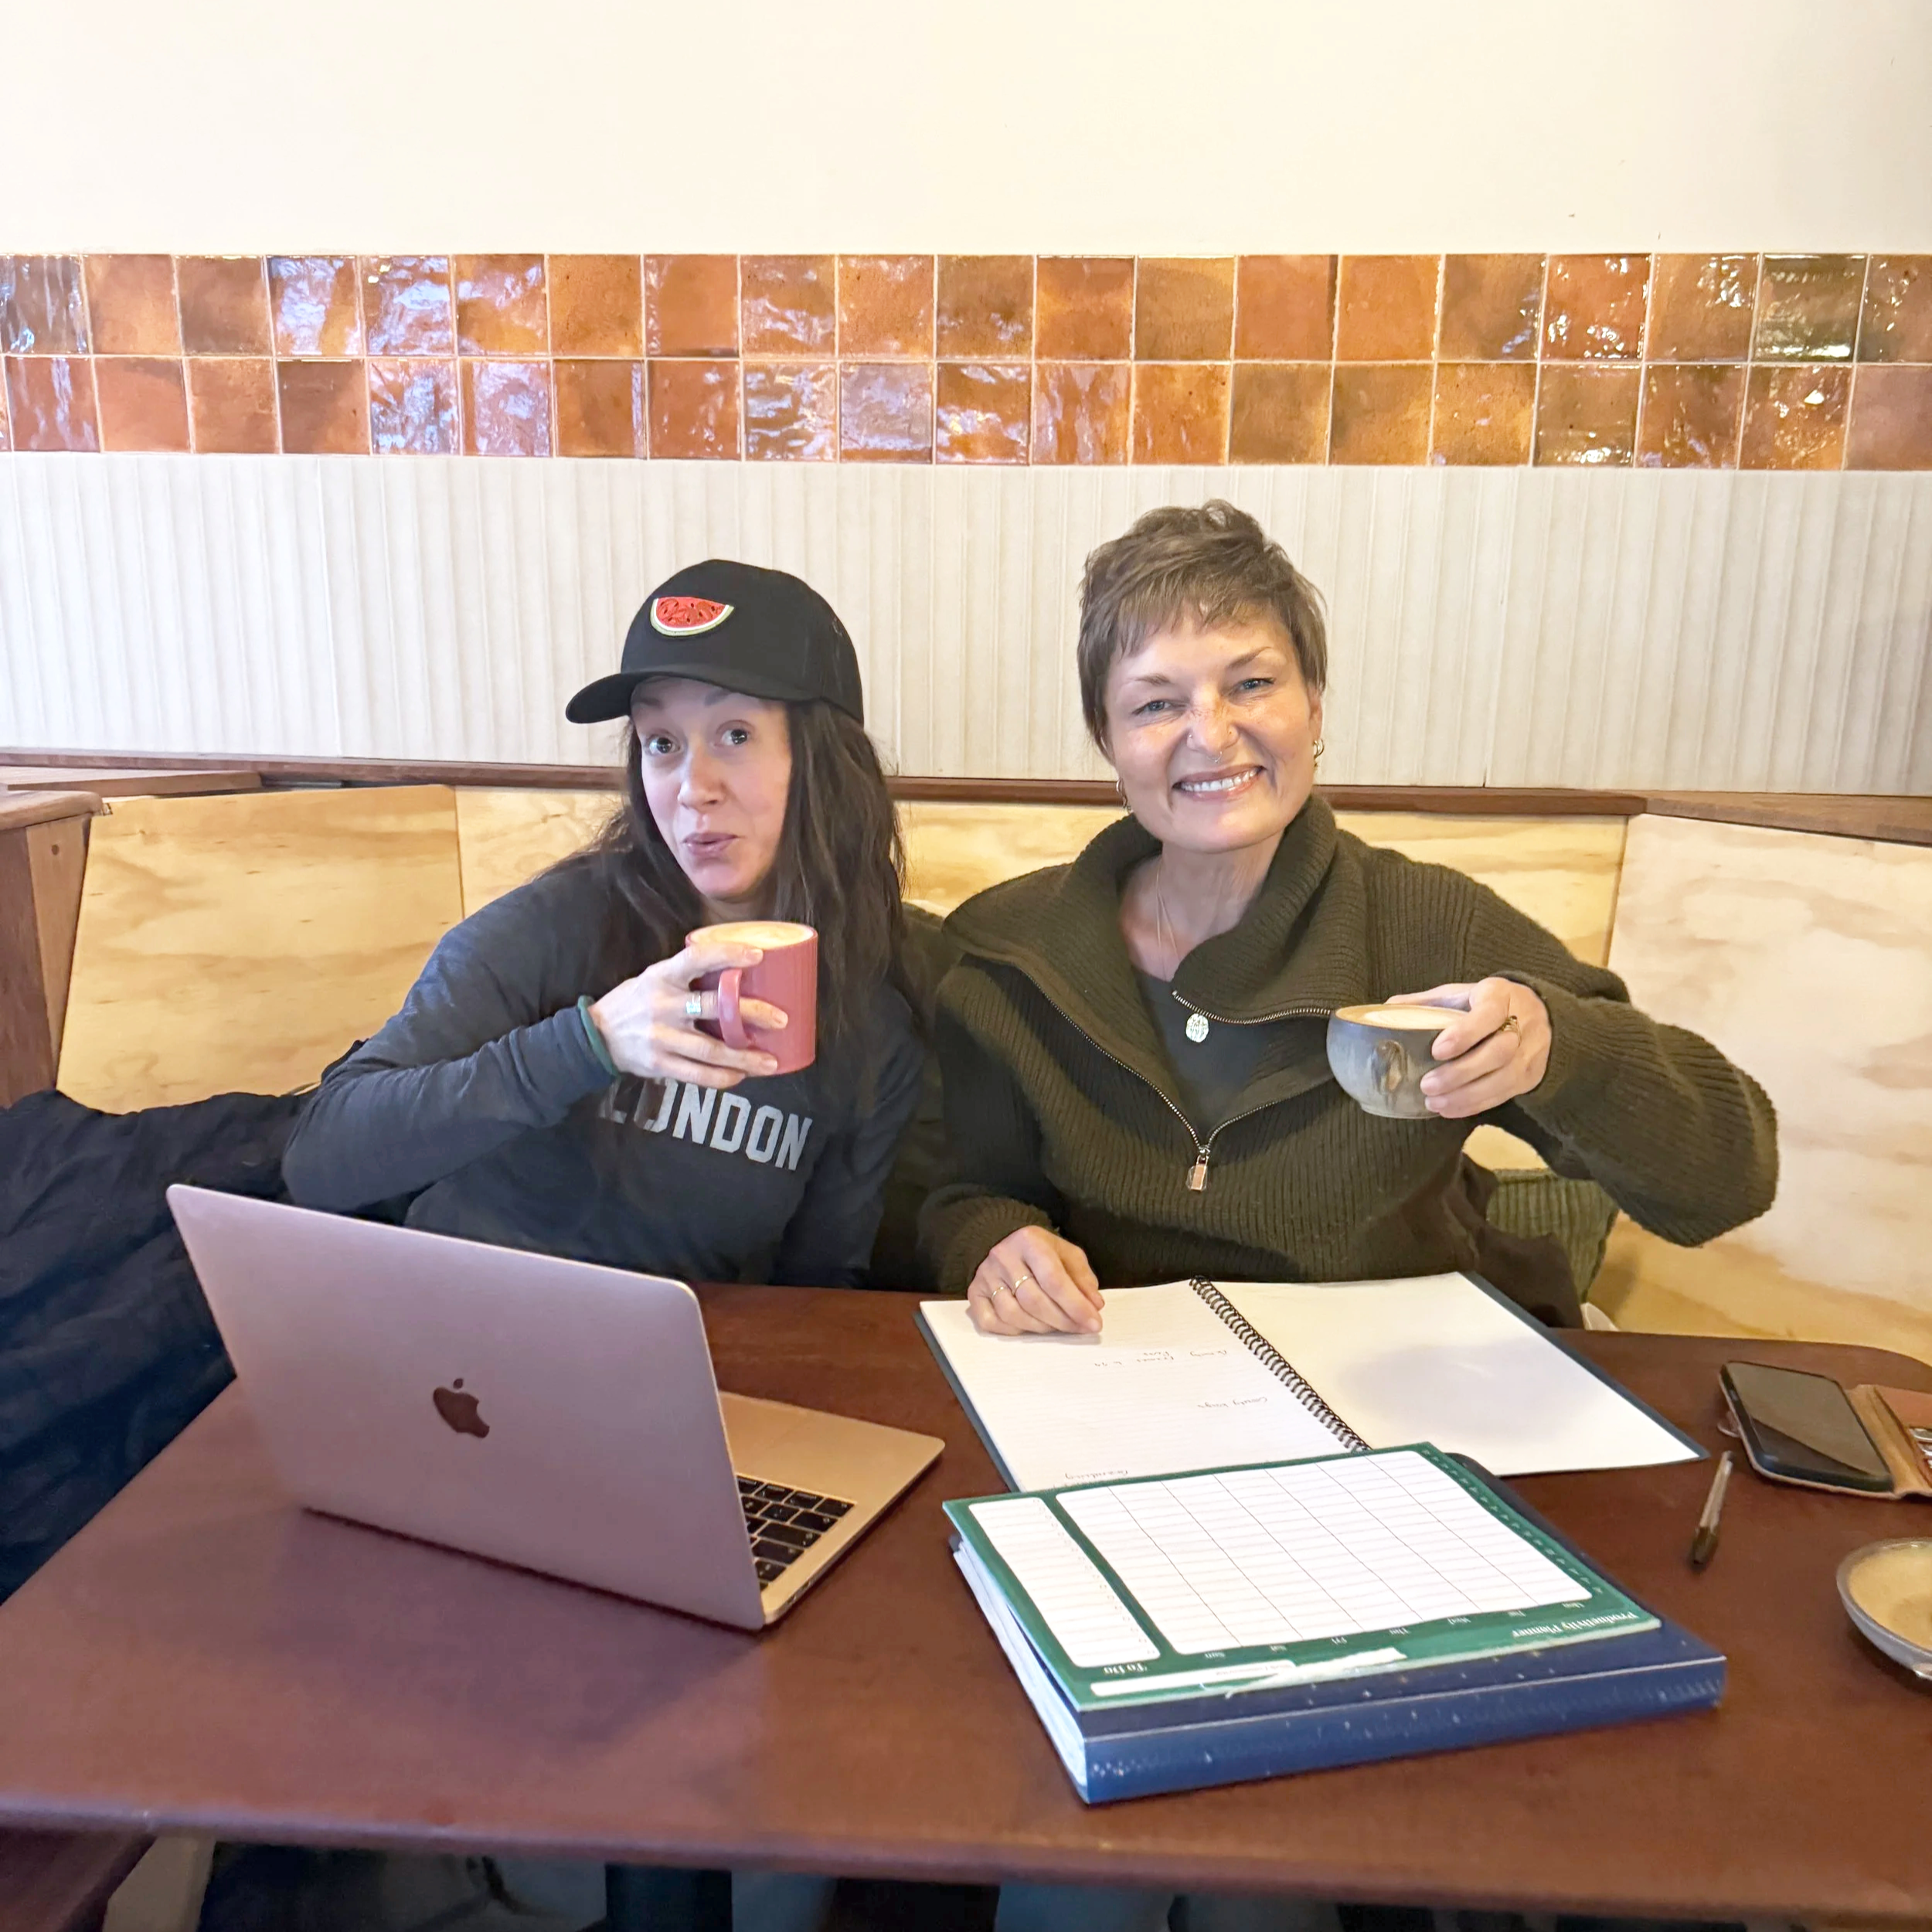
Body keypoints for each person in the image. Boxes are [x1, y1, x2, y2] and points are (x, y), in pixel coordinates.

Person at [917, 502, 1778, 1932]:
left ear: (1315, 704)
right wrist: (987, 1241)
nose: (1212, 734)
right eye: (1155, 702)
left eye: (1252, 681)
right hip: (1121, 1460)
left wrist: (1563, 1046)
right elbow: (962, 1187)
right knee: (1080, 1863)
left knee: (1297, 1859)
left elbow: (1726, 1173)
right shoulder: (1008, 955)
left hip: (1402, 1464)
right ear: (1106, 741)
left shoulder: (1427, 927)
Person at [284, 558, 924, 1293]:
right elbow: (320, 1158)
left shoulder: (872, 1021)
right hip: (453, 1350)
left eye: (736, 734)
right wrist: (588, 1043)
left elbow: (819, 1286)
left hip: (671, 1370)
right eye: (662, 742)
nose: (693, 789)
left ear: (821, 762)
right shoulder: (555, 928)